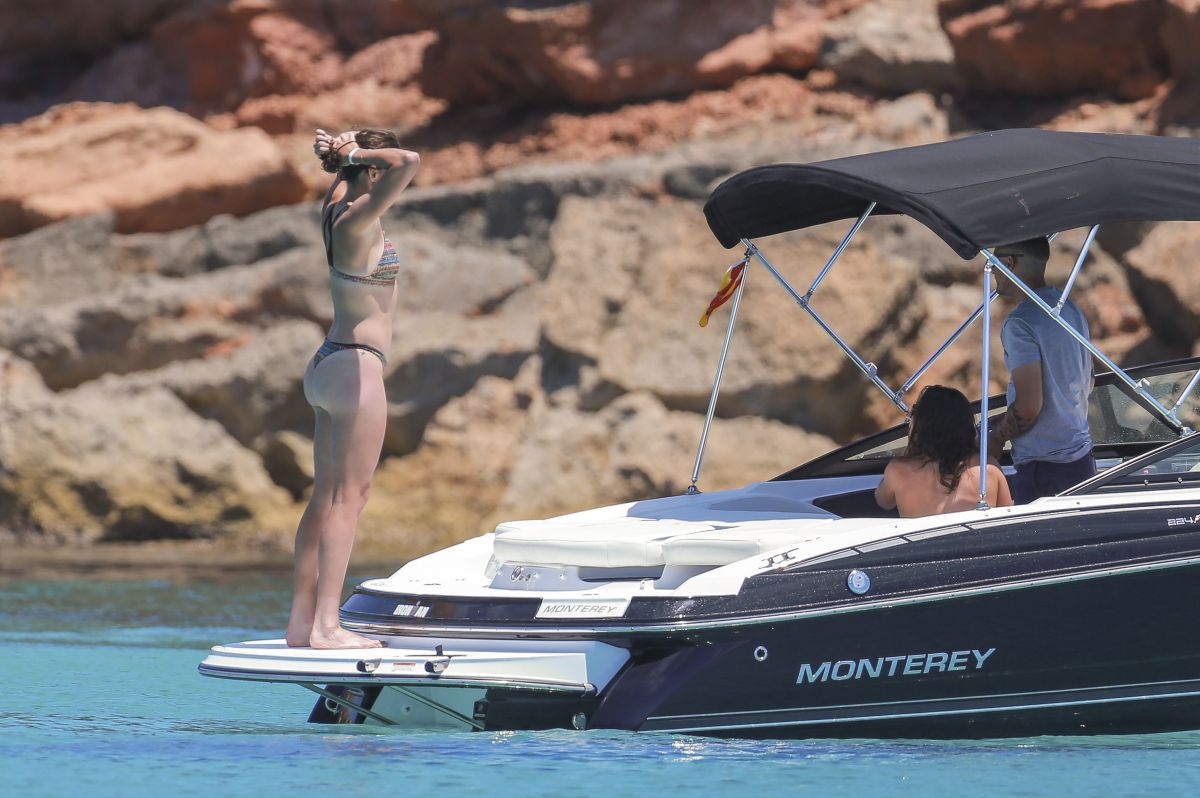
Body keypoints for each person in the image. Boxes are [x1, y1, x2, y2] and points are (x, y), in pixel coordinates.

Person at [285, 128, 420, 649]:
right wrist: (357, 153)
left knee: (324, 498)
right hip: (356, 368)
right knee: (350, 498)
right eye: (377, 171)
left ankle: (302, 623)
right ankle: (327, 628)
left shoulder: (337, 202)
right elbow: (408, 159)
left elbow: (395, 162)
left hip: (329, 363)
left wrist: (347, 158)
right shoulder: (357, 216)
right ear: (370, 169)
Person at [988, 238, 1095, 504]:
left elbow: (1028, 408)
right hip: (1082, 462)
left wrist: (996, 439)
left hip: (1043, 470)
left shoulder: (1020, 323)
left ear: (1009, 262)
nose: (992, 271)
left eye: (993, 264)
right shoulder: (1069, 309)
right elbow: (1087, 381)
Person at [875, 385, 1012, 517]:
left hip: (925, 541)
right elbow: (1008, 519)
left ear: (921, 424)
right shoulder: (987, 468)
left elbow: (883, 502)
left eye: (914, 413)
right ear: (966, 426)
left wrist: (911, 452)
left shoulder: (898, 471)